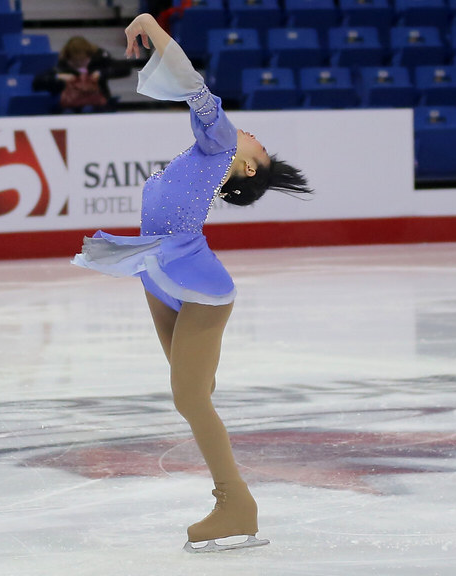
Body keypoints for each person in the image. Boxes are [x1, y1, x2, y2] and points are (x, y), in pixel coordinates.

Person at [72, 13, 313, 553]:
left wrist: (150, 25)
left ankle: (236, 504)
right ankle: (232, 500)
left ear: (248, 168)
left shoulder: (220, 143)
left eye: (259, 144)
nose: (249, 133)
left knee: (189, 397)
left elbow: (192, 84)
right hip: (157, 273)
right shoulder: (206, 154)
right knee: (193, 394)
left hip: (195, 280)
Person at [32, 36, 131, 113]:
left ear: (89, 55)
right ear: (69, 57)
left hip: (97, 104)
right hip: (70, 105)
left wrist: (102, 73)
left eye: (83, 60)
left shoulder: (99, 61)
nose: (80, 63)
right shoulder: (61, 67)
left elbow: (124, 68)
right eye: (76, 61)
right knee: (68, 113)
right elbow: (37, 82)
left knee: (89, 110)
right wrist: (59, 77)